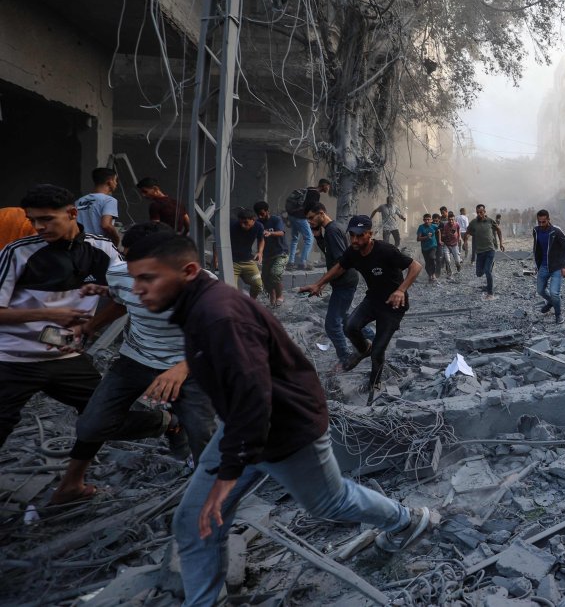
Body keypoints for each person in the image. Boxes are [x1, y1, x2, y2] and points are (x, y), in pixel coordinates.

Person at [124, 233, 436, 606]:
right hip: (244, 428)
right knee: (194, 524)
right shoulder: (200, 305)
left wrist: (227, 476)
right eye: (135, 278)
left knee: (329, 502)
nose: (136, 289)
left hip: (286, 428)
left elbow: (256, 396)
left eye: (147, 278)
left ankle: (407, 520)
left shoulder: (219, 314)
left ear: (189, 271)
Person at [0, 184, 148, 505]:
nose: (39, 227)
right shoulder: (17, 252)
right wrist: (43, 313)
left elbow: (126, 297)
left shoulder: (102, 250)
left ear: (71, 214)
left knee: (101, 417)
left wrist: (92, 325)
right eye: (33, 220)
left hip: (66, 354)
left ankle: (72, 484)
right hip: (13, 358)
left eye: (47, 219)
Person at [74, 222, 215, 464]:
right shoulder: (119, 273)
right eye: (130, 261)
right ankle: (169, 423)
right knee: (90, 427)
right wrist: (90, 326)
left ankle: (208, 489)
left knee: (202, 435)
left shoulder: (201, 284)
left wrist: (181, 369)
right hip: (134, 360)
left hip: (188, 365)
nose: (133, 275)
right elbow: (121, 301)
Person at [298, 215, 421, 396]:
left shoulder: (386, 250)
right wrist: (319, 284)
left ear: (370, 234)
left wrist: (401, 290)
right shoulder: (353, 251)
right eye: (352, 235)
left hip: (393, 305)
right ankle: (364, 349)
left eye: (360, 235)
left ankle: (375, 384)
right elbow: (340, 266)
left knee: (378, 351)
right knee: (350, 326)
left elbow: (416, 266)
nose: (355, 239)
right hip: (372, 299)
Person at [304, 203, 361, 369]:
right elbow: (332, 253)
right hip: (343, 281)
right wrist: (318, 237)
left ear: (321, 213)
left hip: (345, 281)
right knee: (343, 318)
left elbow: (340, 263)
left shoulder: (332, 230)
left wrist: (319, 283)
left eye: (311, 218)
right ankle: (371, 338)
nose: (309, 222)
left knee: (331, 324)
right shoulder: (330, 230)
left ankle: (346, 359)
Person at [533, 209, 565, 325]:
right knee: (540, 290)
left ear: (549, 220)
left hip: (556, 267)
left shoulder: (556, 231)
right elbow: (536, 249)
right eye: (539, 222)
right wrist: (537, 265)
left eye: (543, 222)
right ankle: (551, 302)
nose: (541, 224)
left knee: (554, 293)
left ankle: (558, 314)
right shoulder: (535, 231)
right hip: (543, 267)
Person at [285, 179, 330, 270]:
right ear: (324, 185)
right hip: (300, 217)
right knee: (309, 238)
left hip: (292, 215)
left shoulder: (310, 189)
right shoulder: (316, 194)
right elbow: (312, 209)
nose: (328, 188)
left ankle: (291, 262)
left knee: (294, 238)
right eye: (328, 186)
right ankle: (303, 262)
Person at [464, 204, 504, 300]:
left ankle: (490, 293)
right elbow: (467, 233)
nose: (479, 214)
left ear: (484, 212)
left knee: (487, 271)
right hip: (480, 251)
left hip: (490, 249)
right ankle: (489, 268)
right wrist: (465, 241)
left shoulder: (490, 221)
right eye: (477, 212)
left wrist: (501, 243)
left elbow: (498, 230)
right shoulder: (473, 223)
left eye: (481, 212)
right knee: (479, 273)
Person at [75, 167, 122, 246]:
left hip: (79, 244)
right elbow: (106, 225)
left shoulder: (79, 201)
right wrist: (116, 240)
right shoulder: (109, 200)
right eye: (115, 180)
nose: (116, 183)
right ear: (109, 182)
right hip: (98, 246)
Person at [254, 202, 288, 307]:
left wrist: (270, 233)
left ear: (267, 211)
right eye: (258, 214)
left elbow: (282, 232)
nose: (260, 216)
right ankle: (272, 296)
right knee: (265, 278)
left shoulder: (276, 219)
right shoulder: (258, 223)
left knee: (275, 274)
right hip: (267, 255)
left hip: (280, 253)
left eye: (262, 213)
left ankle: (280, 296)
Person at [228, 209, 264, 300]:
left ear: (253, 220)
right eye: (240, 222)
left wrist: (260, 252)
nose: (242, 225)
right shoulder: (232, 226)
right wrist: (217, 259)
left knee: (258, 285)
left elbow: (261, 240)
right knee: (231, 291)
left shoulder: (259, 226)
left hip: (248, 261)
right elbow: (218, 241)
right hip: (232, 262)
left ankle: (251, 303)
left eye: (245, 222)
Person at [438, 207, 463, 276]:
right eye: (450, 220)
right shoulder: (445, 225)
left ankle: (458, 266)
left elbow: (458, 230)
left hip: (454, 244)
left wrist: (459, 237)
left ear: (454, 219)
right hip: (446, 244)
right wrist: (444, 236)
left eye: (452, 219)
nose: (451, 221)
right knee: (447, 260)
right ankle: (449, 272)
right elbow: (441, 233)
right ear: (448, 219)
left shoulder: (456, 224)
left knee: (457, 261)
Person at [416, 213, 440, 283]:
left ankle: (433, 275)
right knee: (427, 262)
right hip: (425, 248)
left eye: (428, 219)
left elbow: (439, 231)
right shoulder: (421, 227)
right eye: (425, 220)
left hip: (433, 246)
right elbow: (418, 239)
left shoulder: (434, 226)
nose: (427, 221)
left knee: (432, 257)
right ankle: (430, 276)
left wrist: (439, 240)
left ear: (431, 220)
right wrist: (426, 237)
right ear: (423, 220)